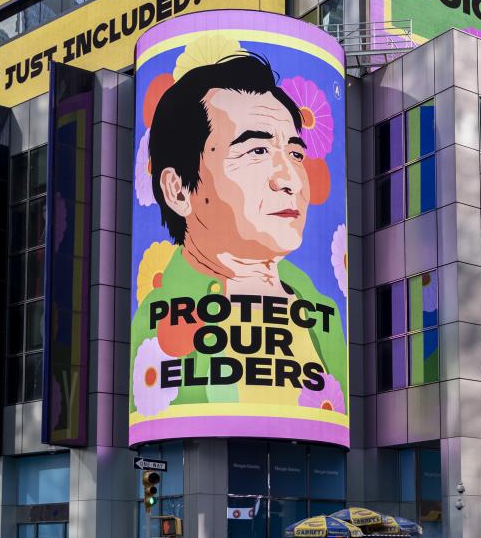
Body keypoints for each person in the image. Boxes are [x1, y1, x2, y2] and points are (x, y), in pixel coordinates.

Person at [132, 52, 345, 417]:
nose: (290, 180)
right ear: (178, 190)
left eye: (295, 153)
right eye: (257, 150)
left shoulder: (321, 307)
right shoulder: (157, 323)